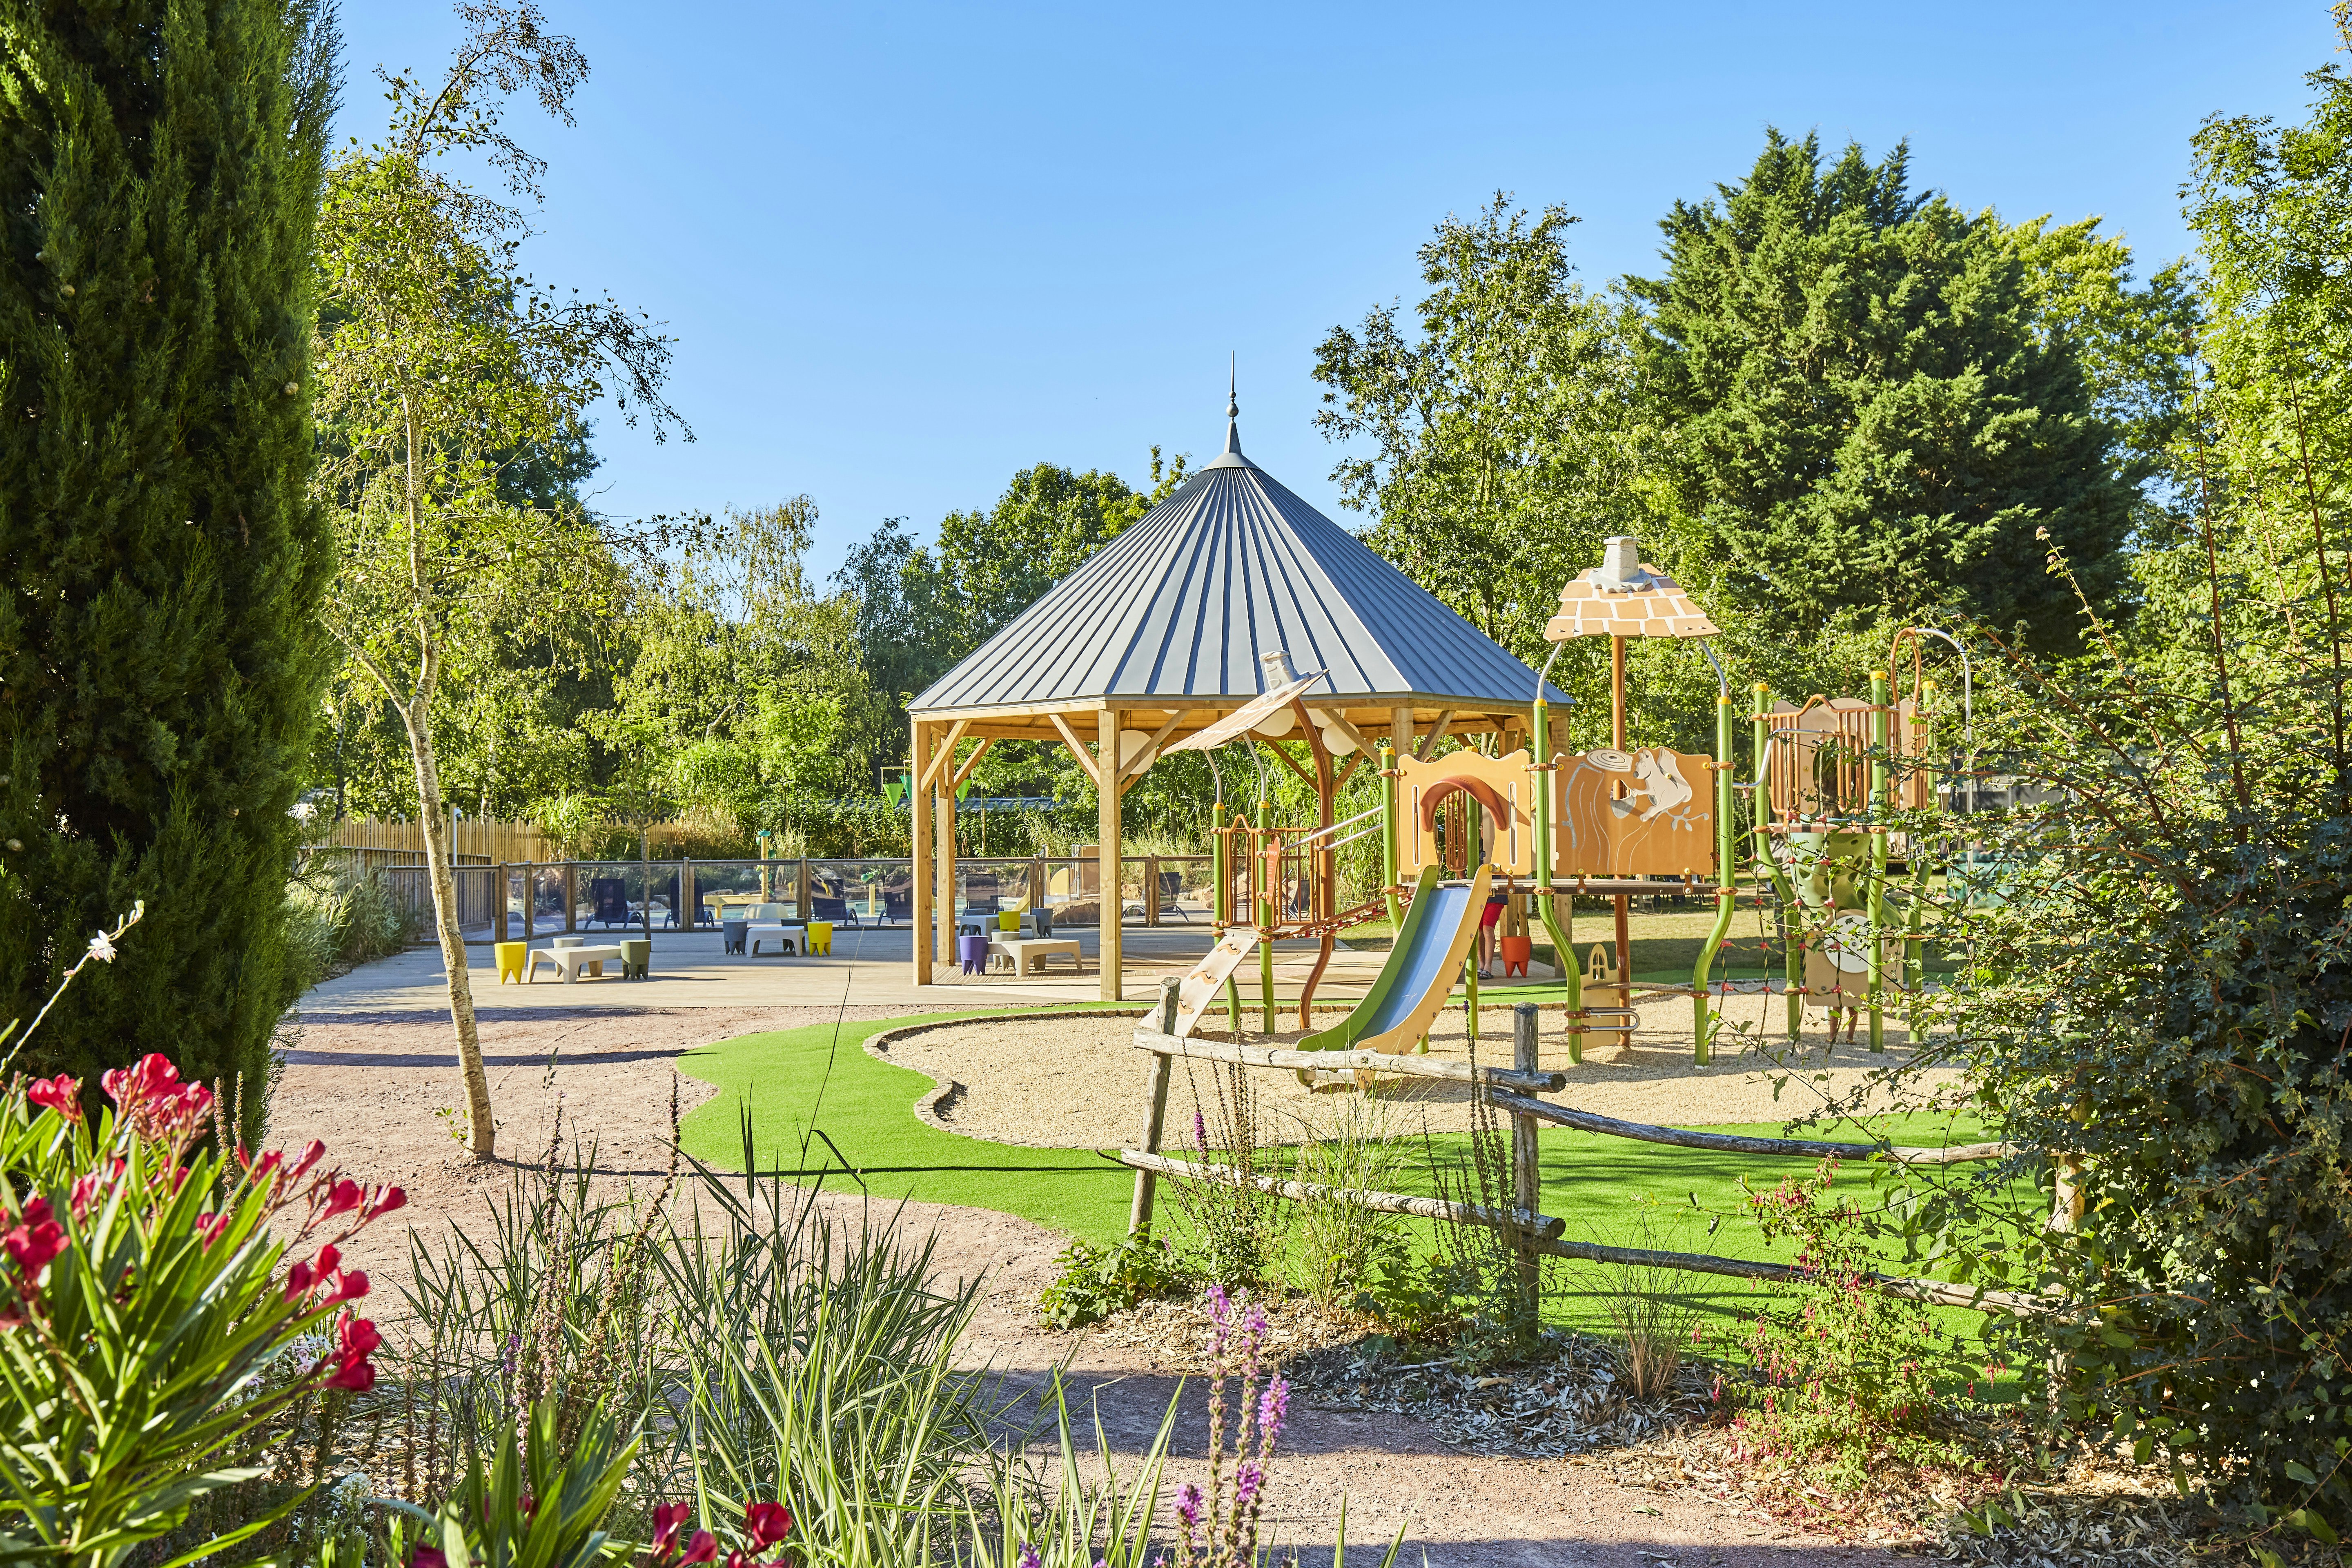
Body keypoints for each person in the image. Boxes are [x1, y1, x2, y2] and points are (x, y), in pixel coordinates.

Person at [1476, 887, 1507, 979]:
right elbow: (1460, 872)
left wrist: (1502, 883)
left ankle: (1488, 967)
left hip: (1496, 896)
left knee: (1487, 929)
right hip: (1478, 896)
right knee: (1479, 931)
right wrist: (1463, 879)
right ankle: (1482, 965)